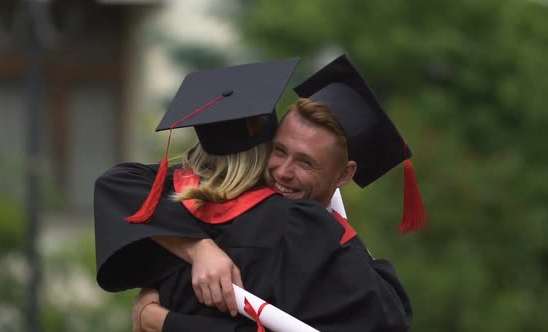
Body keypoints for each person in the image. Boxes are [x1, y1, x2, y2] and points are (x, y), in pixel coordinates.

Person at [95, 55, 421, 331]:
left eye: (305, 162)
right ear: (266, 144)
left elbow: (119, 180)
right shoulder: (301, 229)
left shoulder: (171, 212)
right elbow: (389, 319)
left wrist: (158, 318)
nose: (282, 171)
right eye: (279, 151)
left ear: (345, 173)